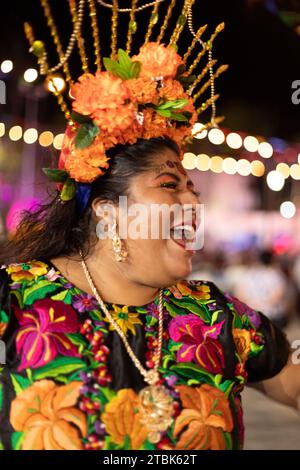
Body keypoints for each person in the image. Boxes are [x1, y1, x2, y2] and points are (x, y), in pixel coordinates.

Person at [0, 0, 299, 452]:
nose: (191, 200)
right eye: (168, 184)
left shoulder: (219, 318)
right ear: (107, 209)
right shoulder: (18, 302)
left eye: (192, 187)